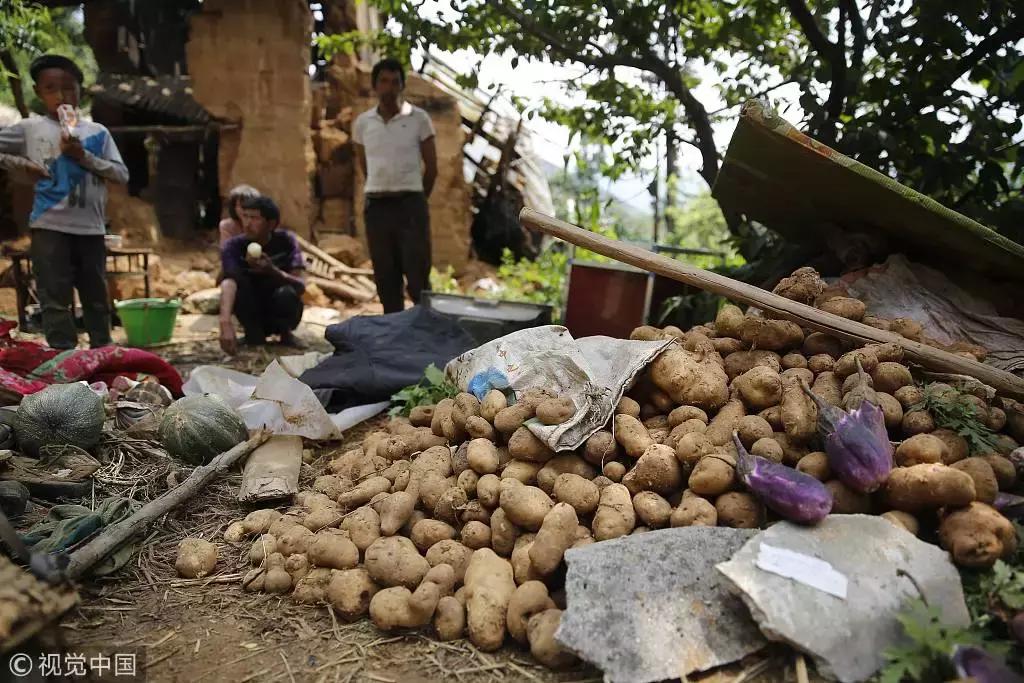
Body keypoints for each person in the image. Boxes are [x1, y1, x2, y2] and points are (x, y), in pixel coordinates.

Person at [0, 55, 128, 349]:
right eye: (51, 88)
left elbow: (120, 174)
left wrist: (84, 157)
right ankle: (64, 366)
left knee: (96, 300)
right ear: (38, 92)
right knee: (54, 300)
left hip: (91, 229)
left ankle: (103, 356)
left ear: (80, 91)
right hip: (49, 227)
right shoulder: (30, 128)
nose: (61, 96)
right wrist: (19, 165)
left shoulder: (97, 132)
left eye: (69, 89)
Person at [353, 58, 438, 314]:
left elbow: (432, 168)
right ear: (375, 85)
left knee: (417, 275)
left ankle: (424, 333)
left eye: (395, 82)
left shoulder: (418, 119)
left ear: (402, 86)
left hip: (410, 206)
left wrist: (418, 199)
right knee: (386, 276)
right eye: (383, 81)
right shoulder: (363, 123)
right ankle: (395, 335)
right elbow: (365, 166)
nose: (389, 88)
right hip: (377, 207)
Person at [218, 196, 306, 354]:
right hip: (251, 311)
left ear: (271, 224)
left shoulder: (286, 241)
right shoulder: (233, 246)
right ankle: (253, 335)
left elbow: (300, 286)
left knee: (287, 293)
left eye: (254, 218)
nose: (247, 223)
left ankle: (285, 333)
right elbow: (228, 282)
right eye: (245, 217)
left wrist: (273, 271)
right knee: (240, 288)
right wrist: (225, 323)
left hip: (279, 309)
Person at [219, 184, 260, 249]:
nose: (244, 210)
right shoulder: (227, 226)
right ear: (234, 207)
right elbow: (226, 251)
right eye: (240, 205)